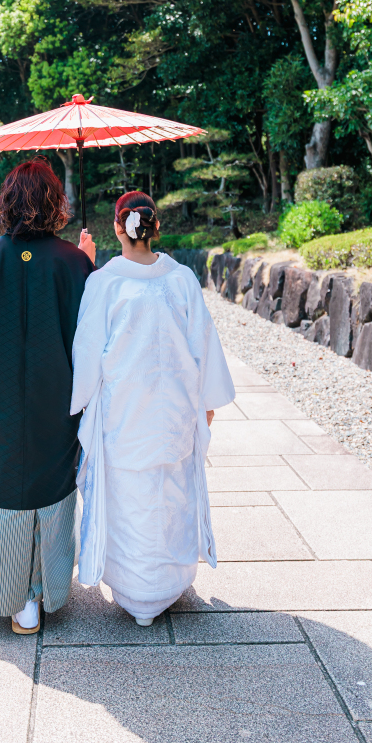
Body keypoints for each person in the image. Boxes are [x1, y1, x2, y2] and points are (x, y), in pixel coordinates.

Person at [0, 157, 95, 634]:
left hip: (0, 416)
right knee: (51, 491)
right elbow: (93, 348)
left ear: (7, 202)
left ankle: (14, 597)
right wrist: (87, 263)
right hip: (58, 413)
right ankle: (45, 591)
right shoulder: (73, 263)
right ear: (54, 204)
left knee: (6, 495)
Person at [70, 190, 234, 626]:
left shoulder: (103, 282)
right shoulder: (180, 278)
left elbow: (86, 354)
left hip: (124, 416)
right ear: (155, 227)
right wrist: (207, 404)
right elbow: (204, 345)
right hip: (175, 415)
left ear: (118, 228)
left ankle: (134, 589)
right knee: (171, 493)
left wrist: (76, 403)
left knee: (131, 499)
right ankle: (167, 584)